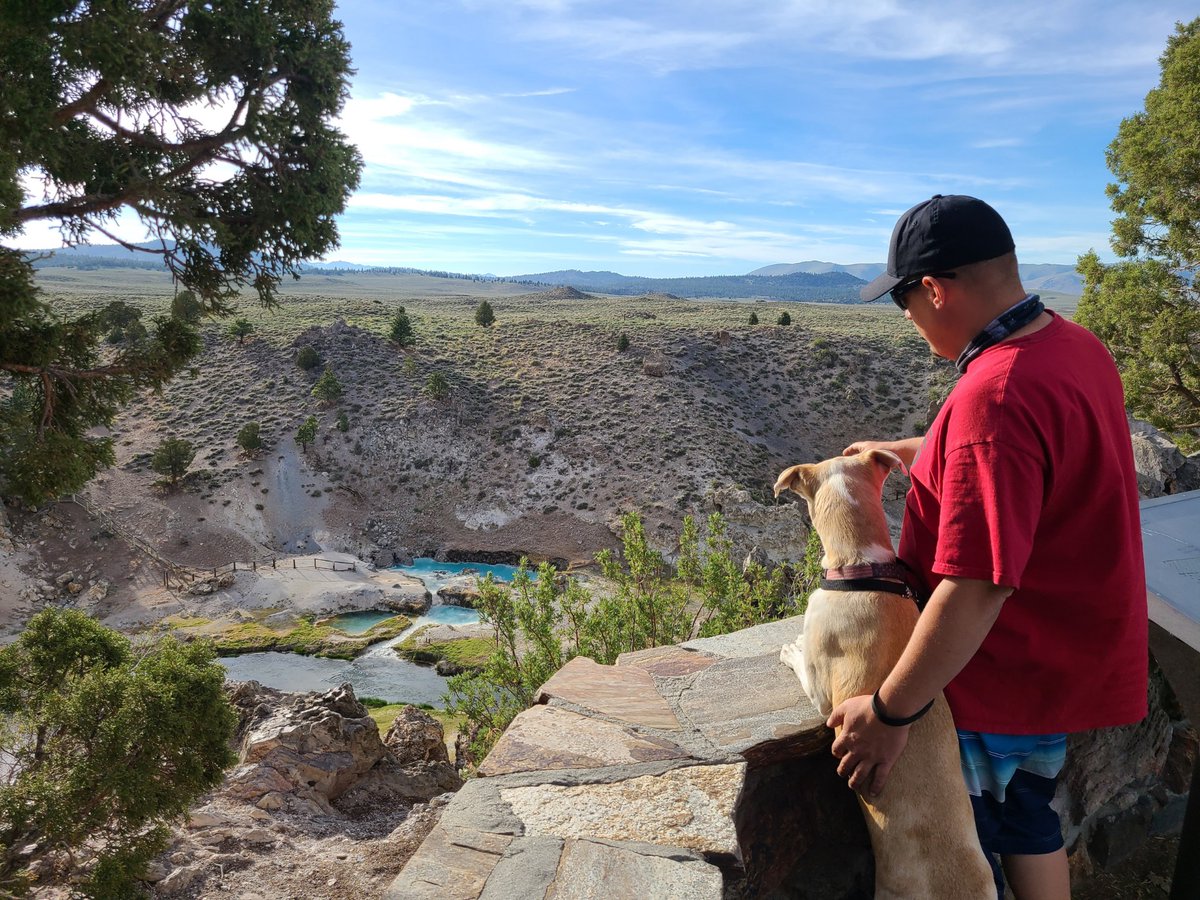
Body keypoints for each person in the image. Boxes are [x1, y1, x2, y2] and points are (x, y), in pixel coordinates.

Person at [833, 195, 1148, 900]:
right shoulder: (1073, 346)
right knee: (1028, 823)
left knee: (968, 858)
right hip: (1048, 670)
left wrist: (889, 714)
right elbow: (1035, 463)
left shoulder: (995, 393)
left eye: (904, 304)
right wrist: (912, 450)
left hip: (994, 677)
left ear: (936, 289)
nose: (911, 321)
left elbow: (976, 585)